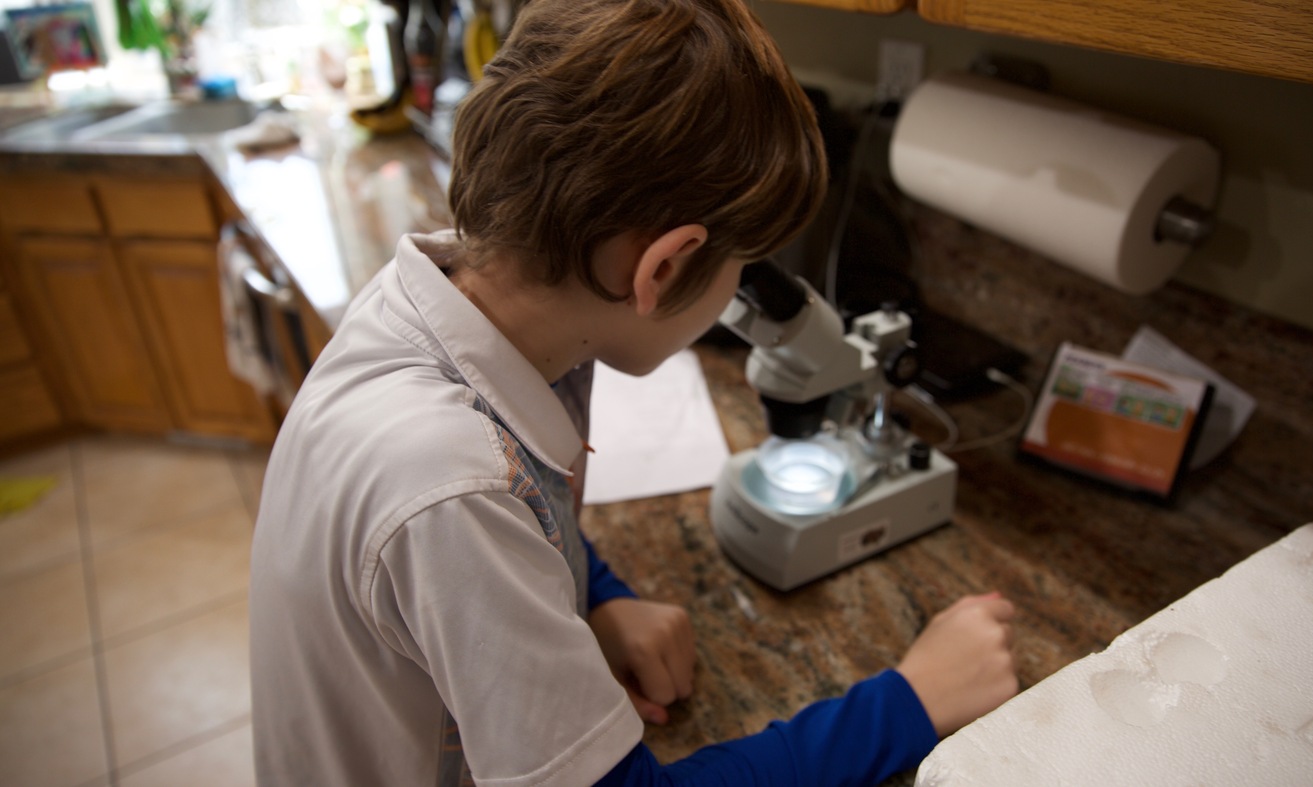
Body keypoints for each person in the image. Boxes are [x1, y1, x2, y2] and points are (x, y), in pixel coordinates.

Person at [247, 0, 1018, 784]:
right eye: (740, 269)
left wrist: (594, 595)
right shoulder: (452, 485)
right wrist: (911, 701)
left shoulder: (456, 307)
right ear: (660, 270)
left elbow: (520, 524)